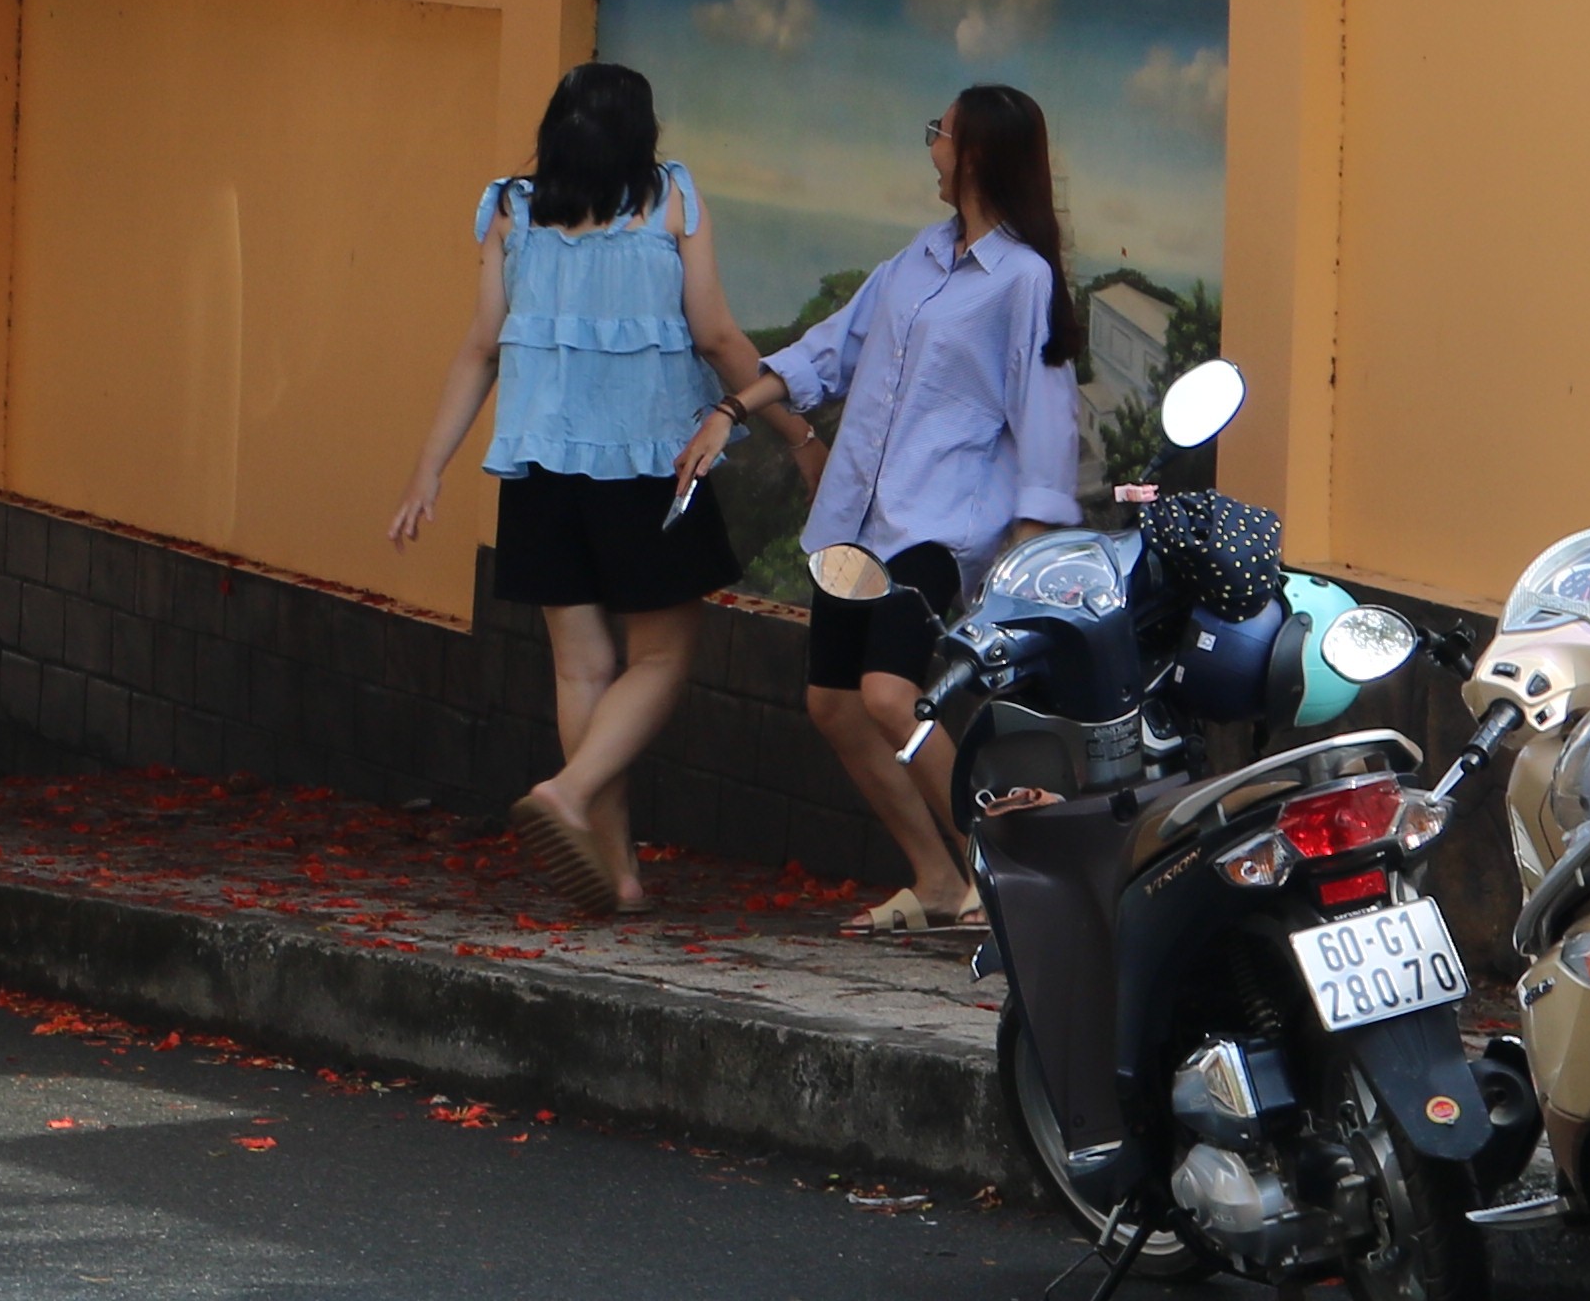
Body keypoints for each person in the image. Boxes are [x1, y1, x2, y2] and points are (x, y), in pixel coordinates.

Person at [388, 58, 815, 919]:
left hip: (541, 472)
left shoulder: (512, 208)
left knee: (584, 670)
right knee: (660, 659)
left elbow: (480, 347)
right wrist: (798, 432)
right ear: (642, 137)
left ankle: (615, 873)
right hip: (648, 469)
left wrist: (428, 468)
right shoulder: (671, 200)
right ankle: (571, 793)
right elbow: (719, 335)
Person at [762, 77, 1085, 939]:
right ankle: (937, 880)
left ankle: (1002, 873)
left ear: (974, 152)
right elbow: (835, 345)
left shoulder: (1023, 279)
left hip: (943, 523)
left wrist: (1024, 546)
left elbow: (1047, 418)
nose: (932, 149)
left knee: (888, 693)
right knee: (832, 703)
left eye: (938, 134)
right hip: (860, 518)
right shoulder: (918, 257)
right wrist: (740, 400)